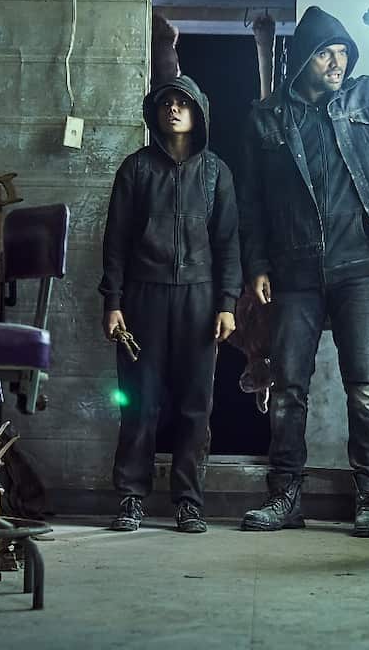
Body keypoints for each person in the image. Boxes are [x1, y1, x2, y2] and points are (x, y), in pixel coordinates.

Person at [237, 3, 369, 536]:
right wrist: (257, 263)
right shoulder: (269, 117)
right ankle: (285, 496)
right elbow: (252, 201)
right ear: (304, 59)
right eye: (325, 54)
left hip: (362, 265)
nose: (336, 63)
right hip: (294, 270)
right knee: (288, 387)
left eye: (342, 53)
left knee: (365, 385)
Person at [99, 75, 241, 533]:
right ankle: (130, 497)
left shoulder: (217, 172)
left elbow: (229, 245)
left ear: (198, 113)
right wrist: (113, 302)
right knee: (139, 403)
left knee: (195, 405)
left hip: (199, 300)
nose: (173, 110)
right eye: (166, 104)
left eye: (183, 103)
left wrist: (227, 304)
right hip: (142, 297)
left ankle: (188, 502)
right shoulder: (136, 169)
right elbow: (115, 242)